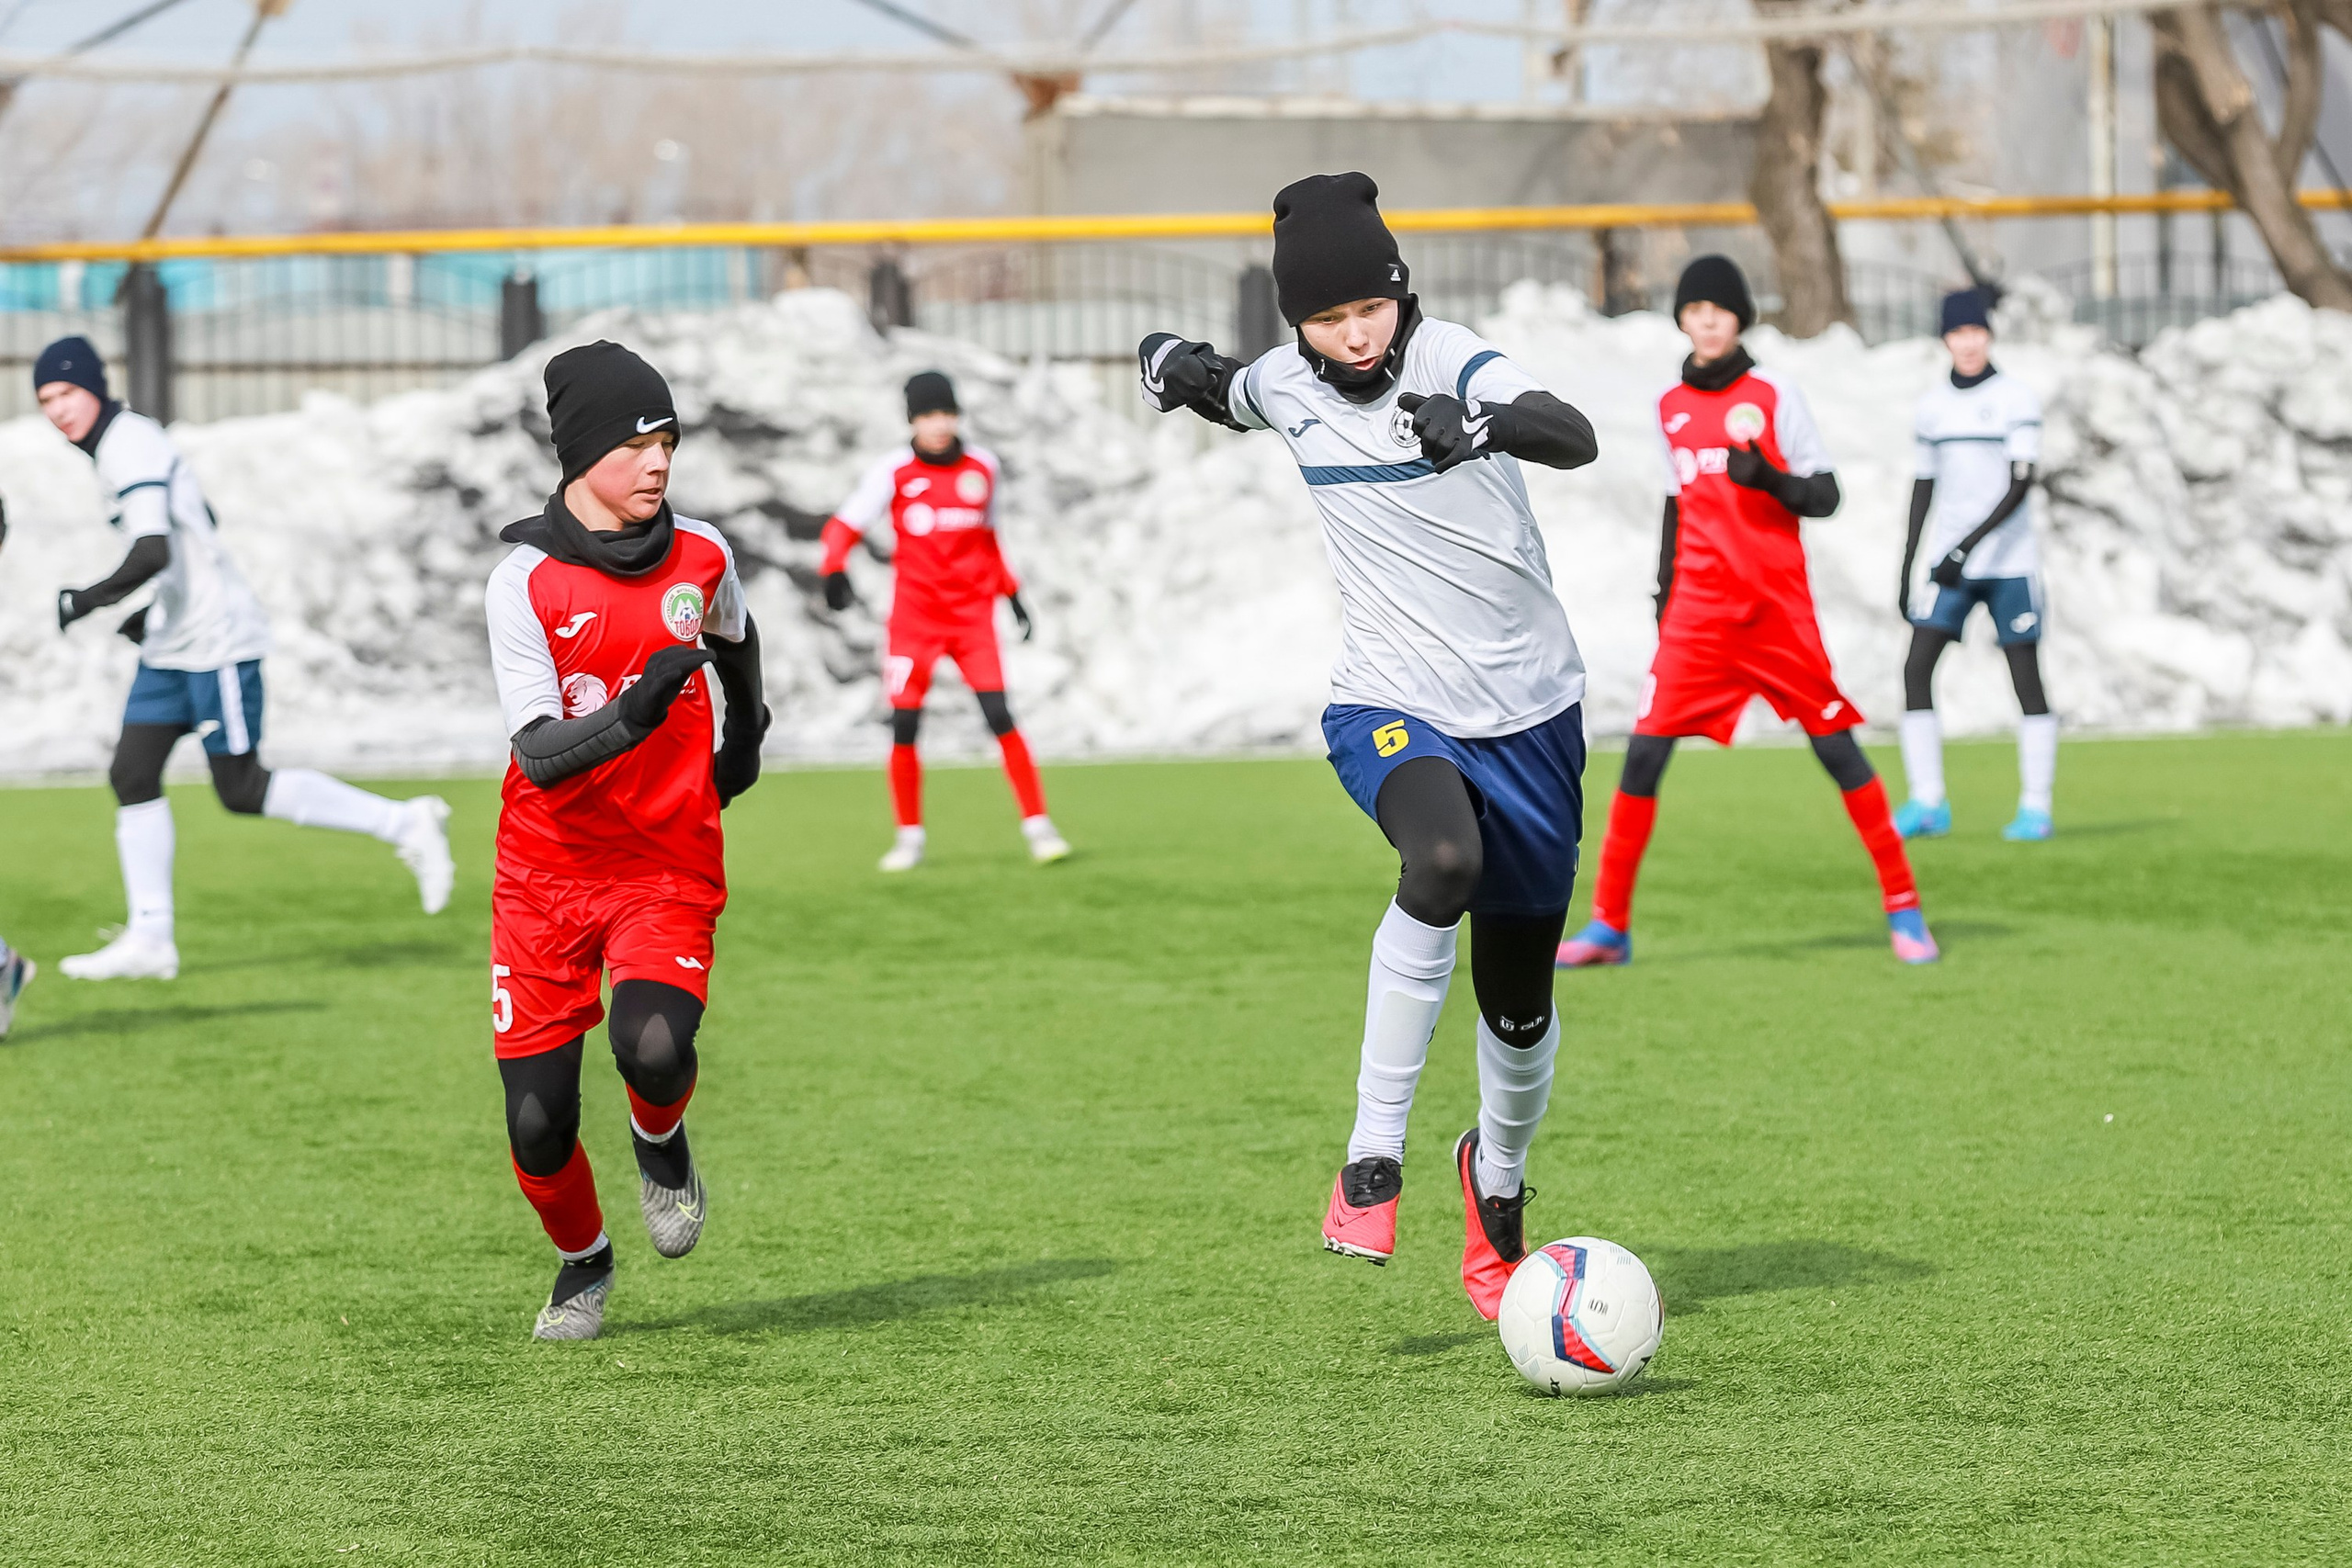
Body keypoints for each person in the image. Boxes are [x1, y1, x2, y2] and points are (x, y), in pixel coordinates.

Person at [1138, 172, 1600, 1321]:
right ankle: (1371, 1153)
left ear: (1401, 293)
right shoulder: (1287, 381)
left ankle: (1495, 1183)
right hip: (1389, 701)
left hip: (1530, 714)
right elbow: (1218, 388)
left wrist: (1479, 428)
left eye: (1368, 312)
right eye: (1324, 321)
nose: (1352, 340)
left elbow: (1573, 434)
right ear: (1296, 325)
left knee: (1519, 1008)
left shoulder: (1453, 358)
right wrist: (1165, 361)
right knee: (1439, 862)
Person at [483, 340, 769, 1341]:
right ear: (583, 454)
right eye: (636, 442)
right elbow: (542, 754)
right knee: (537, 1123)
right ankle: (583, 1261)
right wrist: (640, 712)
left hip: (663, 858)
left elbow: (735, 637)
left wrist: (749, 734)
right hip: (546, 873)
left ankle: (661, 1140)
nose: (657, 461)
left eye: (668, 440)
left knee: (652, 1048)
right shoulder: (522, 581)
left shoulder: (703, 554)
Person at [1557, 256, 1938, 970]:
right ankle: (1609, 924)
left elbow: (1825, 496)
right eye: (1693, 308)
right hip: (1698, 614)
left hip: (1774, 610)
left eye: (1719, 309)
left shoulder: (1774, 395)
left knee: (1837, 748)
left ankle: (1904, 907)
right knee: (1643, 754)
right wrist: (1664, 596)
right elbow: (1678, 505)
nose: (1705, 320)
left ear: (1739, 319)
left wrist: (1769, 477)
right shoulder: (1669, 405)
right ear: (1681, 319)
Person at [36, 337, 454, 982]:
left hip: (217, 642)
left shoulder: (128, 443)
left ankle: (406, 821)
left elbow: (153, 550)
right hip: (174, 642)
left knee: (240, 786)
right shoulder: (122, 447)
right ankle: (151, 937)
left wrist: (83, 599)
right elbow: (199, 518)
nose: (57, 409)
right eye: (45, 400)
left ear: (96, 386)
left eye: (67, 392)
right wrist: (155, 612)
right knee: (132, 772)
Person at [819, 372, 1069, 872]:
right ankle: (909, 838)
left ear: (958, 417)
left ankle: (1039, 828)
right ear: (912, 420)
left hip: (972, 617)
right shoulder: (893, 472)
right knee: (906, 725)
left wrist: (1014, 595)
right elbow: (842, 526)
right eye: (928, 415)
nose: (939, 425)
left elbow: (989, 540)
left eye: (946, 414)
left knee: (1000, 715)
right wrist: (833, 570)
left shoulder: (984, 469)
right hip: (915, 621)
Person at [1894, 288, 2055, 841]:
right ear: (1945, 339)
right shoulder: (1933, 406)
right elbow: (1924, 485)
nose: (1967, 342)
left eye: (1976, 332)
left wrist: (1966, 547)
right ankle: (1928, 801)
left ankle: (2035, 805)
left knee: (2025, 679)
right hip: (1948, 568)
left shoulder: (2016, 398)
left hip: (2010, 562)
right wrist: (1910, 562)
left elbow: (2021, 482)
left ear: (1988, 335)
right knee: (1916, 669)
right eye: (1957, 333)